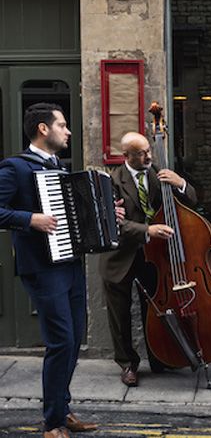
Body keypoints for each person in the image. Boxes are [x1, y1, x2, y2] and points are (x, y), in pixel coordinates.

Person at [0, 103, 122, 438]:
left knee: (72, 341)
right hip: (42, 269)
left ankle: (61, 409)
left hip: (70, 264)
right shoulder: (15, 168)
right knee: (60, 341)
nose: (68, 131)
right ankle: (52, 423)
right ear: (43, 128)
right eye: (63, 125)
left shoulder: (60, 170)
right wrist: (30, 219)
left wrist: (110, 215)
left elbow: (78, 218)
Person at [98, 132, 197, 387]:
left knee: (156, 311)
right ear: (127, 156)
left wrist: (180, 183)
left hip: (153, 257)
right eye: (142, 153)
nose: (149, 156)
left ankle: (158, 358)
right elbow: (114, 223)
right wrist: (147, 231)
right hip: (119, 257)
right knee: (120, 317)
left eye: (149, 150)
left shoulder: (160, 174)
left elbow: (193, 201)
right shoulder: (111, 182)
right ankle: (128, 364)